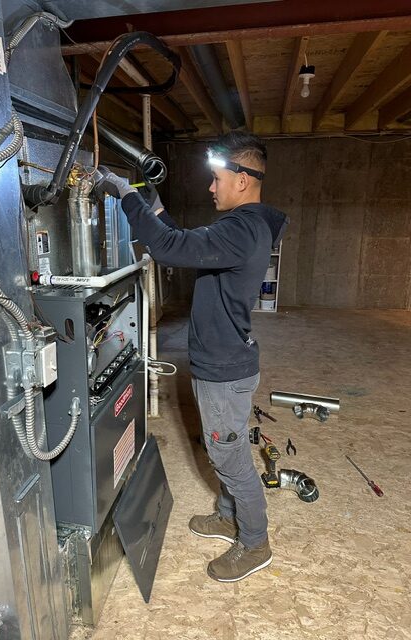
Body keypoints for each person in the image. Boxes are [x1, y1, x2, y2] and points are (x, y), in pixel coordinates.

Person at [95, 131, 289, 582]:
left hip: (224, 369)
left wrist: (126, 197)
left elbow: (167, 248)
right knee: (226, 445)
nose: (211, 187)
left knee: (229, 455)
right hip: (220, 361)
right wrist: (147, 192)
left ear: (242, 179)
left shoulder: (241, 228)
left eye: (217, 178)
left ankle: (255, 542)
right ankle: (227, 515)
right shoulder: (246, 227)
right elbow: (177, 234)